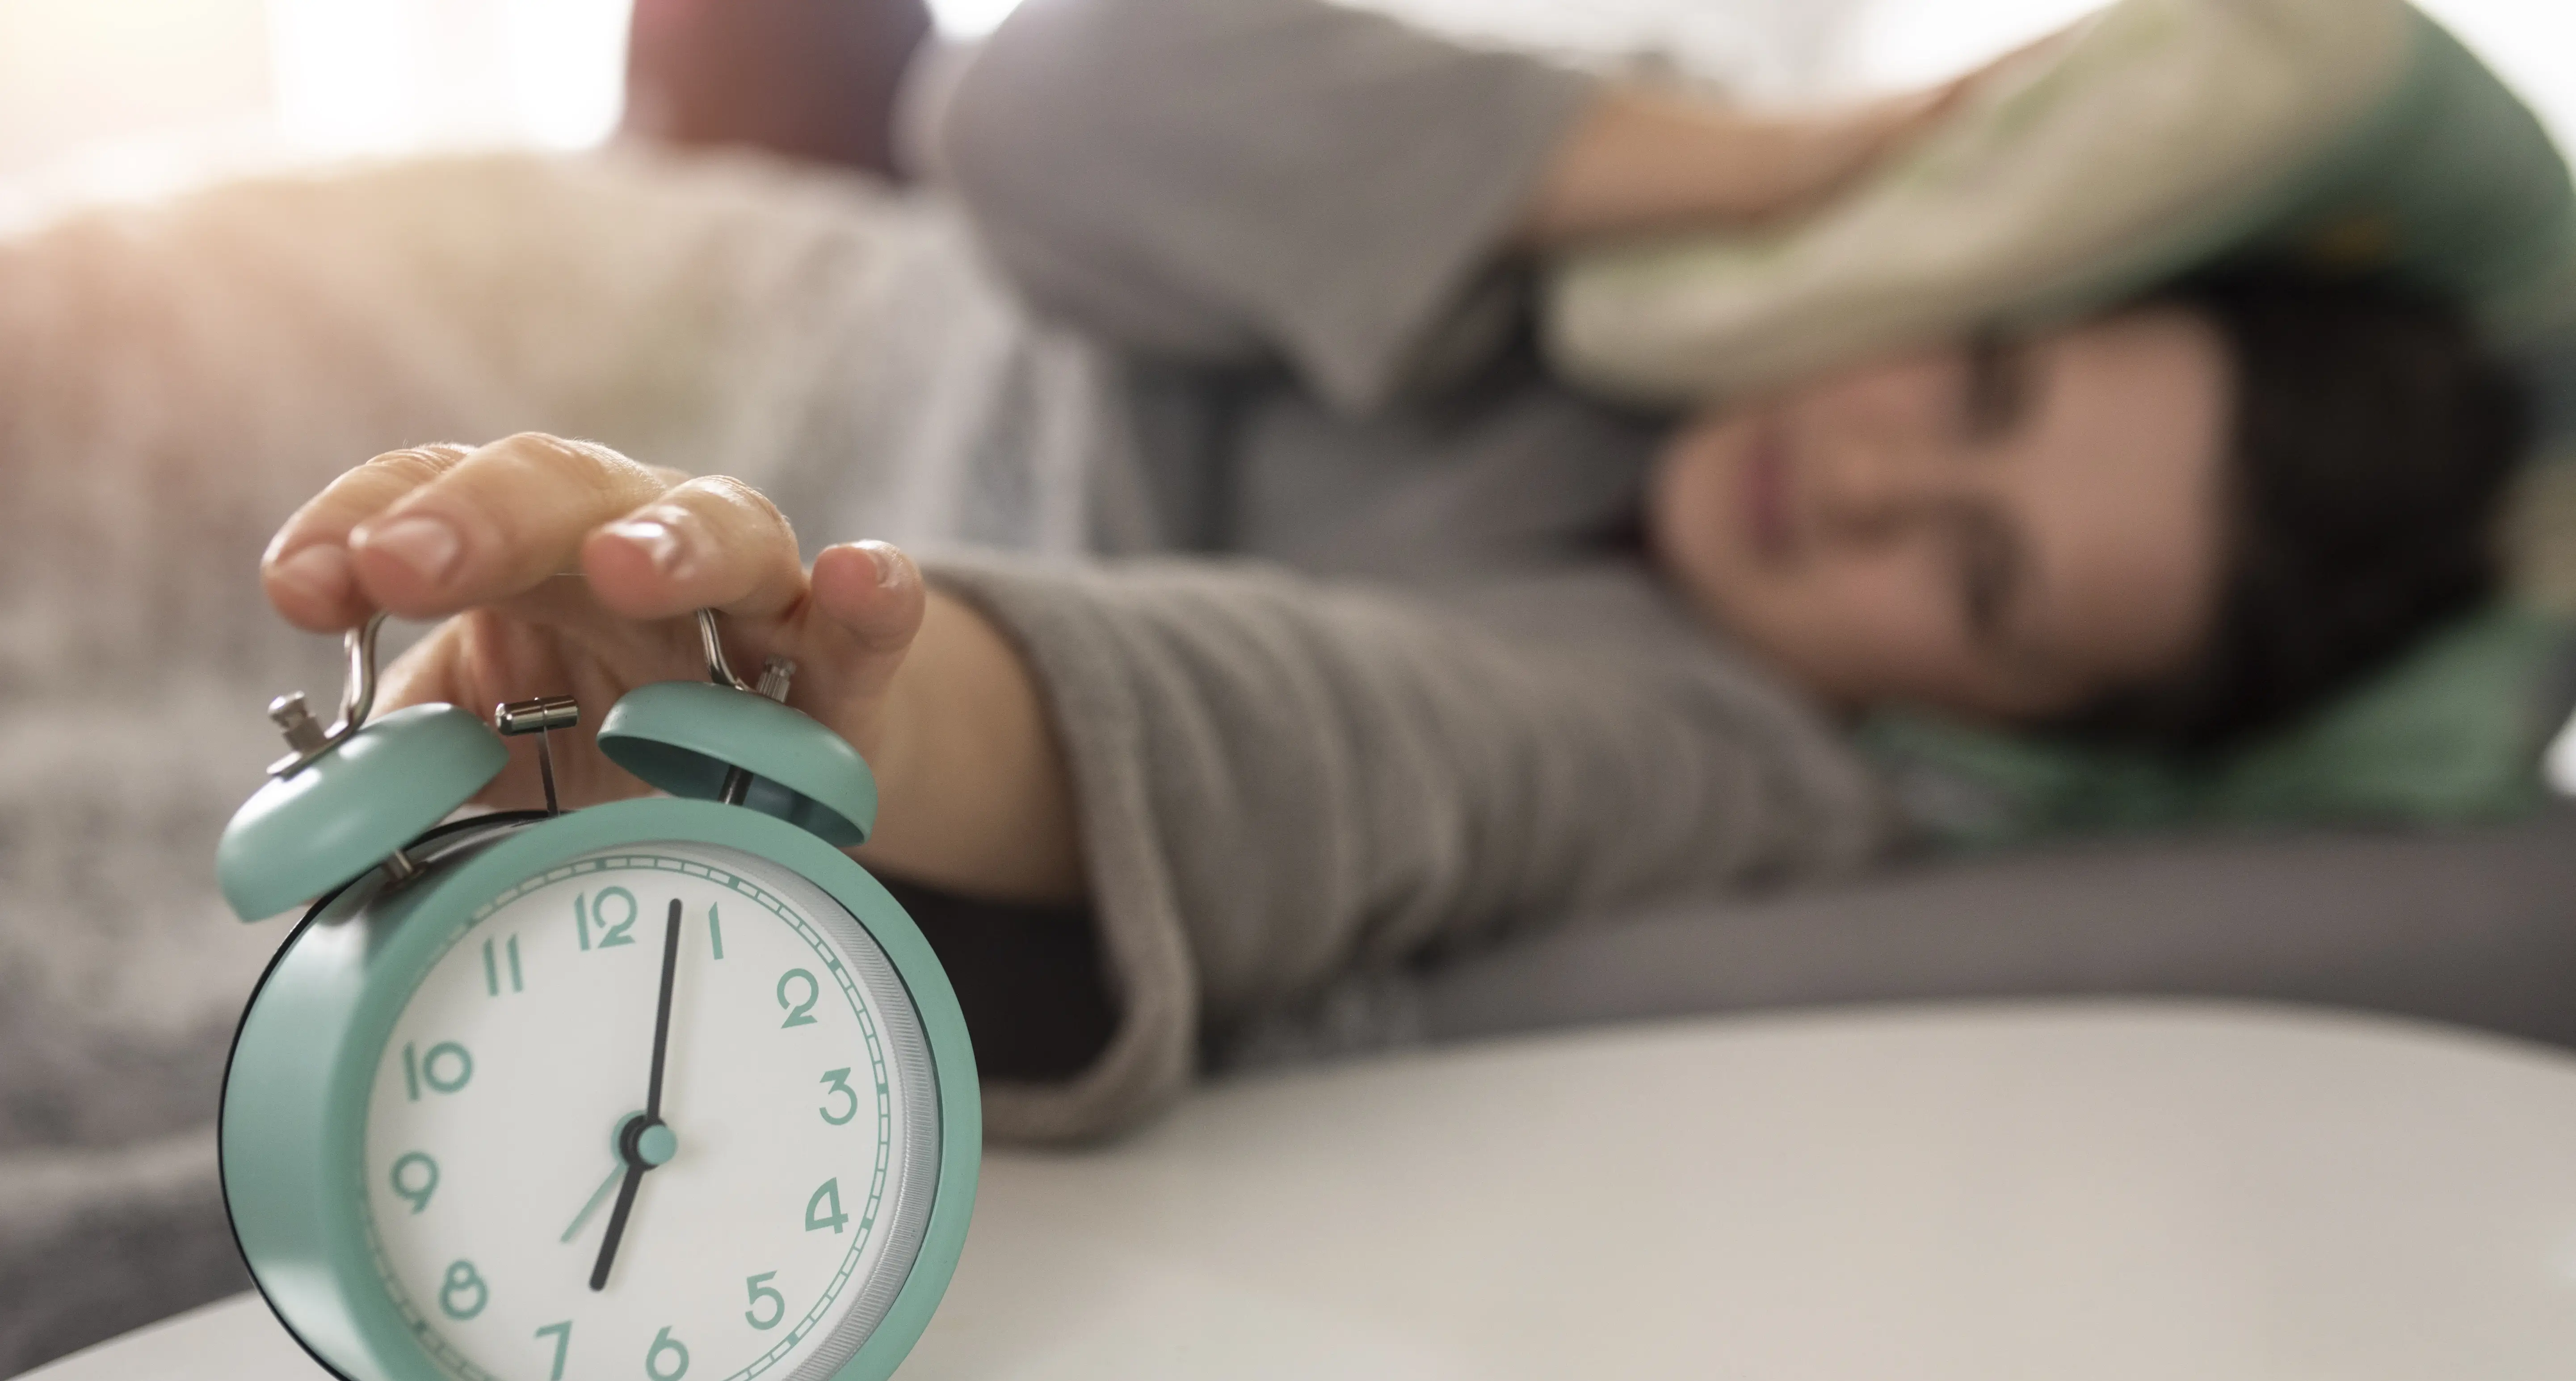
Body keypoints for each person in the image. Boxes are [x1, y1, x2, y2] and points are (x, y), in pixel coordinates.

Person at [243, 0, 2519, 1139]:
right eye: (1987, 378)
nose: (1874, 483)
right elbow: (1044, 117)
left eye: (1989, 585)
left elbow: (1315, 740)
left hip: (867, 547)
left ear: (2016, 728)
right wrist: (1802, 181)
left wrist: (836, 703)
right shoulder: (1623, 211)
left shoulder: (1720, 749)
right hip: (892, 285)